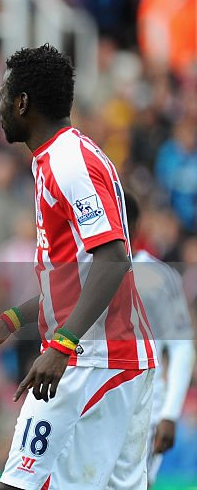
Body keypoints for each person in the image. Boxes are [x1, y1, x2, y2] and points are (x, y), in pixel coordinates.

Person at [0, 44, 157, 489]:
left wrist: (61, 345)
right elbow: (79, 272)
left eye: (4, 95)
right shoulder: (59, 158)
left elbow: (114, 258)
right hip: (111, 355)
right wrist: (13, 320)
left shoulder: (68, 161)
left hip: (95, 357)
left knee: (17, 484)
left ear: (22, 103)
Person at [123, 193, 196, 488]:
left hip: (145, 411)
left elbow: (181, 347)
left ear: (133, 225)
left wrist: (169, 413)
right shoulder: (82, 272)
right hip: (92, 407)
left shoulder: (158, 276)